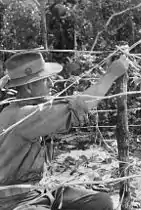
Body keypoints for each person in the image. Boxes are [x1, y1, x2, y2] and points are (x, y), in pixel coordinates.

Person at [0, 51, 129, 210]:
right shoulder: (24, 116)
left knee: (100, 202)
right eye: (45, 79)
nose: (52, 84)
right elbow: (80, 106)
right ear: (28, 87)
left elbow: (60, 104)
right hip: (17, 202)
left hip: (40, 192)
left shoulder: (20, 108)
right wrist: (111, 74)